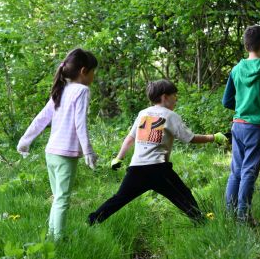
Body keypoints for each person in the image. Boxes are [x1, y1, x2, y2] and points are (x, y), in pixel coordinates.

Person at [88, 79, 227, 225]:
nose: (176, 99)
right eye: (174, 96)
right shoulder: (171, 116)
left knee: (118, 199)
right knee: (183, 196)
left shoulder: (143, 113)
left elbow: (130, 137)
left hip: (137, 169)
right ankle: (201, 223)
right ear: (165, 97)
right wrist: (213, 137)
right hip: (158, 169)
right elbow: (190, 138)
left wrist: (119, 158)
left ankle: (92, 221)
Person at [17, 48, 99, 239]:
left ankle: (52, 236)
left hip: (51, 152)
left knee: (58, 198)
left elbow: (41, 118)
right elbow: (81, 124)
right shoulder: (82, 90)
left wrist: (24, 141)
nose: (94, 76)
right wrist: (88, 152)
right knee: (62, 199)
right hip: (65, 154)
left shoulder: (61, 89)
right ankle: (59, 240)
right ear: (83, 71)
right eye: (93, 72)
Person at [222, 25, 260, 224]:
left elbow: (226, 101)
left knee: (236, 170)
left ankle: (230, 214)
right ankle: (243, 216)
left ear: (247, 46)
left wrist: (243, 106)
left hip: (238, 125)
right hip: (257, 127)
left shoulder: (236, 69)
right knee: (249, 171)